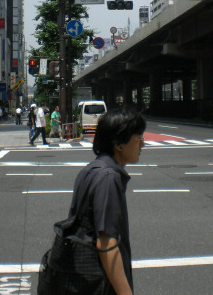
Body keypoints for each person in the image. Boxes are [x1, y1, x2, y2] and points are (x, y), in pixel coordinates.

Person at [67, 106, 145, 295]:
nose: (143, 144)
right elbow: (107, 244)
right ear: (119, 144)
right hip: (100, 284)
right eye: (139, 138)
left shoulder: (92, 169)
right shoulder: (108, 178)